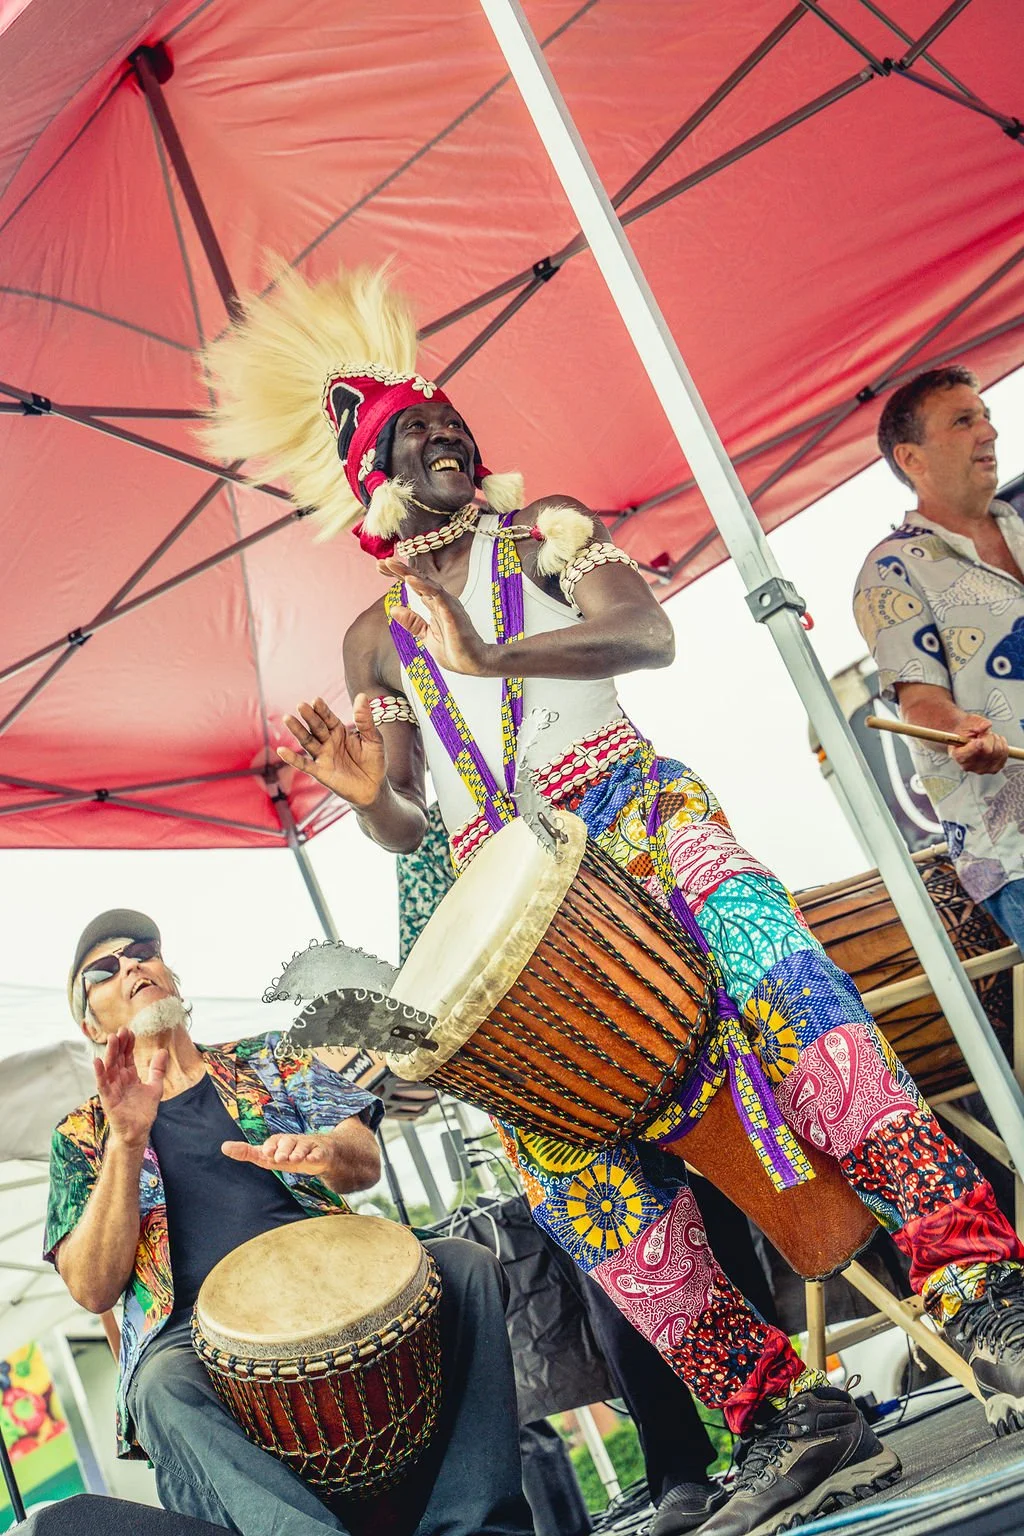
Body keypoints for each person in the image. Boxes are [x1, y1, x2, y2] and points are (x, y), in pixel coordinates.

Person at [202, 264, 1024, 1536]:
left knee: (786, 984)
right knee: (562, 1166)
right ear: (373, 476)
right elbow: (412, 819)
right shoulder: (375, 642)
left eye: (451, 418)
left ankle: (978, 1281)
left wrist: (494, 651)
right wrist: (366, 796)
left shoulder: (549, 534)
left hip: (644, 817)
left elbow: (646, 636)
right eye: (415, 432)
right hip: (516, 887)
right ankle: (778, 1417)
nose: (448, 436)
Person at [46, 908, 534, 1536]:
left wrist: (328, 1152)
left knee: (466, 1267)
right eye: (103, 970)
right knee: (162, 1384)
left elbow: (362, 1159)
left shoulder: (272, 1058)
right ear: (90, 1022)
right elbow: (92, 1289)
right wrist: (126, 1140)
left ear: (172, 974)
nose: (131, 965)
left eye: (143, 949)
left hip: (334, 1279)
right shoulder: (82, 1134)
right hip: (188, 1332)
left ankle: (477, 1524)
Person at [853, 364, 1024, 952]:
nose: (989, 432)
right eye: (963, 421)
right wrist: (963, 731)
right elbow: (922, 701)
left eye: (986, 417)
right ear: (911, 458)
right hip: (1015, 851)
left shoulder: (1020, 528)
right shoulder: (891, 571)